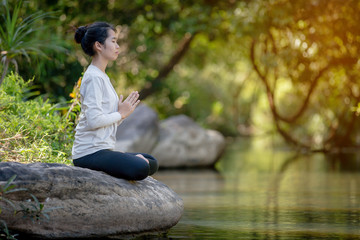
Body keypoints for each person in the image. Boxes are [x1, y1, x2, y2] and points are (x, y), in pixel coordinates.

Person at [72, 22, 158, 180]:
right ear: (99, 45)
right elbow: (93, 121)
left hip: (103, 150)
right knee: (142, 166)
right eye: (113, 41)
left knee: (152, 162)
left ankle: (119, 159)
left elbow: (104, 123)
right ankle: (120, 160)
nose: (117, 46)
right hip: (89, 153)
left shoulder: (102, 76)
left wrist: (122, 115)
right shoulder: (93, 77)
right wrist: (120, 114)